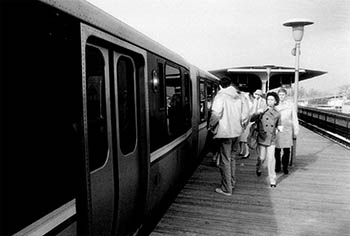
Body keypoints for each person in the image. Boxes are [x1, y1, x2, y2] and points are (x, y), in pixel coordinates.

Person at [210, 77, 249, 196]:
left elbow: (216, 115)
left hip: (225, 133)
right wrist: (240, 128)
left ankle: (227, 189)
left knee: (224, 160)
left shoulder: (220, 96)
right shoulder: (240, 96)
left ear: (220, 86)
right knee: (232, 158)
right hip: (237, 133)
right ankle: (231, 182)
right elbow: (246, 116)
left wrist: (211, 127)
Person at [251, 91, 282, 188]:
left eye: (272, 99)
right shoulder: (262, 111)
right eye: (268, 99)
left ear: (276, 101)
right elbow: (252, 119)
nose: (270, 101)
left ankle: (272, 179)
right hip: (262, 137)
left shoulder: (277, 114)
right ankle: (258, 167)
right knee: (262, 158)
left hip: (271, 138)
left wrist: (279, 130)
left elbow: (279, 125)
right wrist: (257, 113)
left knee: (271, 159)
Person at [275, 88, 300, 174]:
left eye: (283, 95)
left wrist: (296, 129)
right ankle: (277, 166)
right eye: (280, 95)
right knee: (277, 149)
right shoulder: (275, 105)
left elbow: (294, 118)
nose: (281, 97)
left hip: (287, 129)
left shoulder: (290, 105)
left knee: (286, 149)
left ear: (286, 96)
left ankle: (285, 166)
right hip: (278, 128)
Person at [238, 91, 254, 159]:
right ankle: (242, 151)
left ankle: (247, 152)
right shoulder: (248, 101)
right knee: (242, 138)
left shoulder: (245, 101)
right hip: (245, 122)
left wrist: (243, 122)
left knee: (245, 139)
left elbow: (246, 114)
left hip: (245, 123)